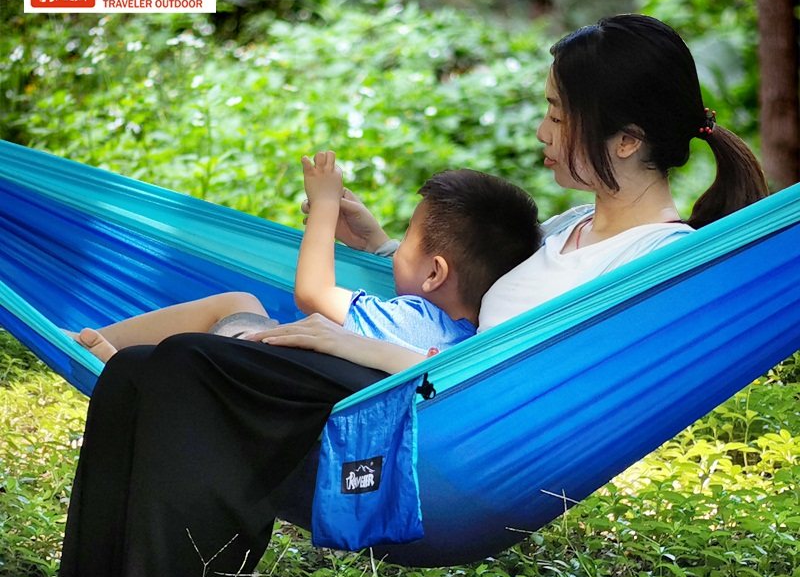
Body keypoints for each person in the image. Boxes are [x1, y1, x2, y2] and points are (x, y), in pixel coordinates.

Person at [3, 15, 767, 577]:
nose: (543, 131)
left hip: (447, 444)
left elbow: (530, 381)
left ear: (626, 140)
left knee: (187, 364)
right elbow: (461, 308)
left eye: (559, 116)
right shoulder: (568, 227)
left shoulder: (660, 262)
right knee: (138, 373)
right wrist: (377, 255)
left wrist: (357, 348)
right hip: (410, 401)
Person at [71, 152, 540, 363]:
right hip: (285, 380)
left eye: (407, 240)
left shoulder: (415, 319)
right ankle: (111, 357)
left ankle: (101, 354)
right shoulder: (463, 338)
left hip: (258, 377)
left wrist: (324, 206)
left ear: (435, 274)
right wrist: (375, 242)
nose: (397, 251)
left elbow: (313, 292)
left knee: (237, 305)